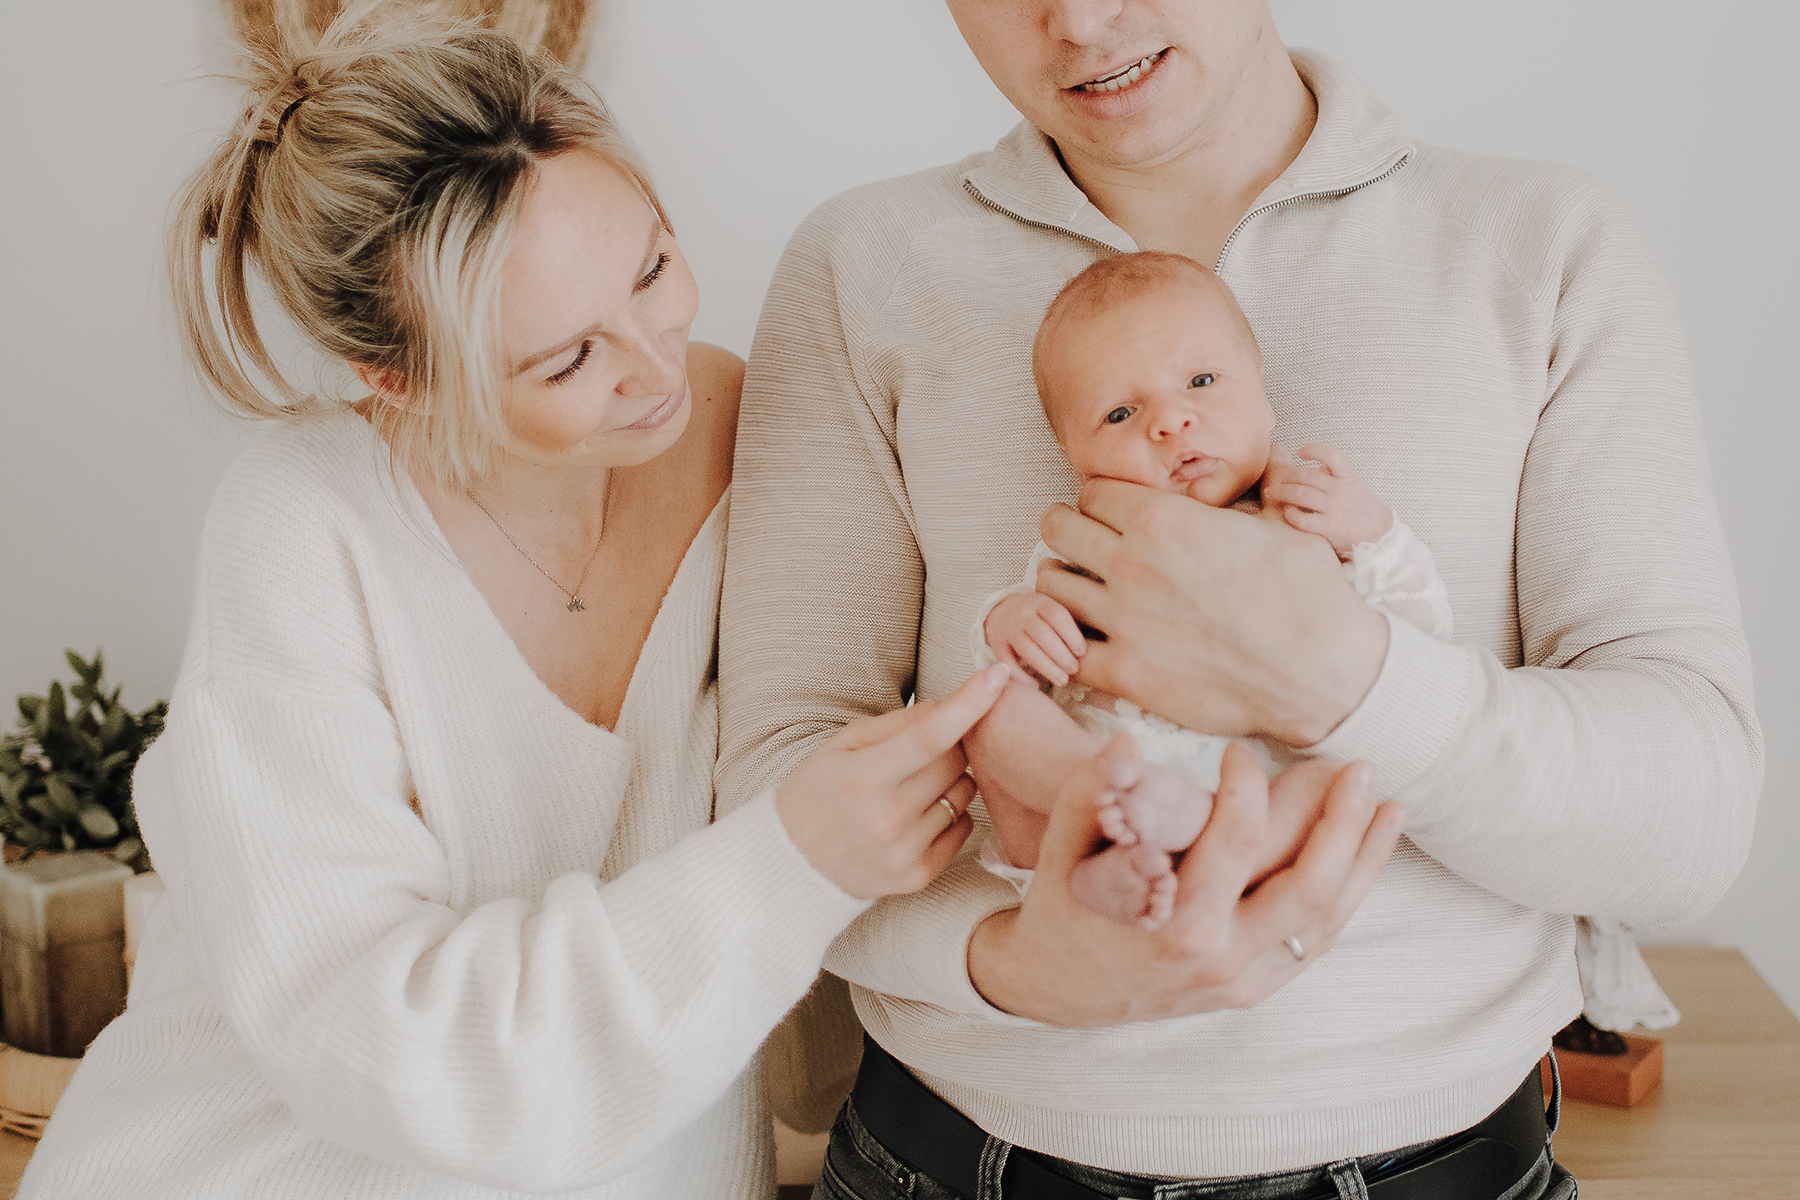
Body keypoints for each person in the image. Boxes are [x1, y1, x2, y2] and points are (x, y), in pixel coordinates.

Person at [717, 1, 1761, 1197]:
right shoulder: (864, 264)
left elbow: (1692, 823)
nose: (1078, 20)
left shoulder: (1542, 243)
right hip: (951, 1160)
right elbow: (773, 789)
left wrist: (1335, 677)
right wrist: (1005, 962)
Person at [17, 17, 1015, 1200]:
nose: (656, 366)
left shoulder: (747, 431)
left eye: (652, 269)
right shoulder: (303, 525)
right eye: (567, 360)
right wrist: (791, 859)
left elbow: (809, 1037)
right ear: (394, 378)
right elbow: (392, 1057)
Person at [973, 251, 1451, 929]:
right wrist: (1011, 622)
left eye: (1200, 381)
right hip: (1103, 778)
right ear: (1073, 458)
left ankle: (1193, 838)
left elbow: (1422, 638)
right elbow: (1022, 658)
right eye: (1119, 414)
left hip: (1253, 799)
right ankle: (1093, 855)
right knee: (990, 715)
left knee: (1344, 781)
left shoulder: (1308, 518)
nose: (1171, 421)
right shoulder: (1091, 541)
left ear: (1266, 399)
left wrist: (1373, 533)